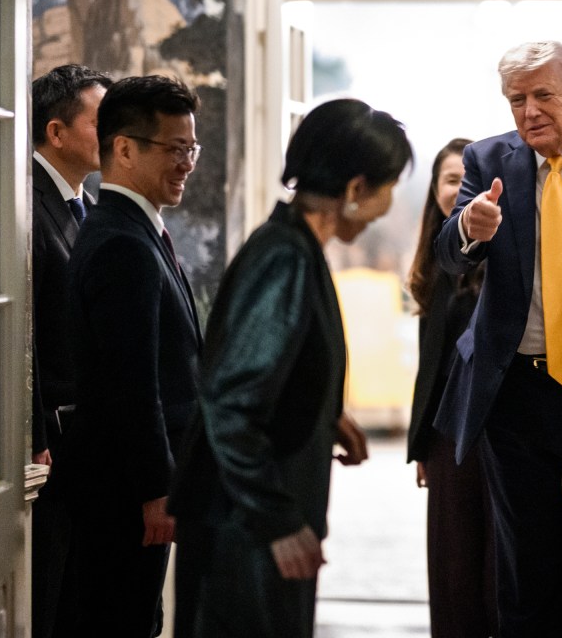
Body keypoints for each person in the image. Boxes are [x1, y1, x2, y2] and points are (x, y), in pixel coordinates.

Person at [168, 98, 412, 638]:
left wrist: (327, 415)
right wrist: (278, 519)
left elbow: (270, 375)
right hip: (243, 531)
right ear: (354, 190)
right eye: (387, 187)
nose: (387, 205)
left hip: (249, 523)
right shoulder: (284, 257)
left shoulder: (296, 247)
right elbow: (230, 404)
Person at [434, 40, 562, 637]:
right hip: (513, 394)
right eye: (516, 100)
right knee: (523, 567)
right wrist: (471, 231)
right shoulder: (488, 159)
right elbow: (448, 255)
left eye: (543, 96)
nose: (528, 112)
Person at [64, 74, 204, 637]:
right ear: (123, 148)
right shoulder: (121, 241)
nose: (187, 163)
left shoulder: (138, 230)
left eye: (191, 148)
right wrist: (156, 488)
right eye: (174, 149)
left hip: (134, 487)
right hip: (124, 492)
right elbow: (133, 381)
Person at [29, 64, 111, 638]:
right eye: (99, 123)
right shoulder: (23, 206)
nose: (113, 137)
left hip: (87, 446)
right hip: (48, 448)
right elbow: (20, 338)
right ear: (56, 133)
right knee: (47, 599)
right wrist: (34, 438)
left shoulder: (89, 205)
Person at [407, 138, 499, 638]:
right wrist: (421, 443)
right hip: (446, 436)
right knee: (453, 572)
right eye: (449, 180)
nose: (460, 189)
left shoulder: (504, 251)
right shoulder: (433, 266)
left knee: (494, 571)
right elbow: (431, 366)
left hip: (495, 429)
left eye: (469, 178)